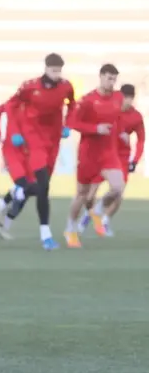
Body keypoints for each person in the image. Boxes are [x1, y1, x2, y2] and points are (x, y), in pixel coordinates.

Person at [1, 53, 75, 250]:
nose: (57, 74)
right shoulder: (30, 87)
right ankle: (46, 234)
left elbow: (72, 104)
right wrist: (16, 131)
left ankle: (18, 191)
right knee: (43, 186)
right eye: (53, 70)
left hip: (53, 141)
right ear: (46, 68)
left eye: (59, 71)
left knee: (41, 187)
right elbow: (11, 104)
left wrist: (69, 124)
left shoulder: (66, 86)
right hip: (34, 139)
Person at [64, 64, 125, 248]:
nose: (111, 82)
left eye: (114, 79)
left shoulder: (118, 97)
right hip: (89, 153)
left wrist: (120, 131)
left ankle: (97, 211)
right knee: (82, 195)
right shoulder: (88, 100)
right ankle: (70, 229)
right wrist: (95, 129)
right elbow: (72, 122)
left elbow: (117, 118)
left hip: (108, 153)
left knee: (118, 187)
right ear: (100, 77)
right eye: (109, 78)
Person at [78, 82, 144, 236]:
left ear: (132, 99)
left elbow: (141, 140)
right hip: (103, 155)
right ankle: (89, 215)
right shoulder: (109, 110)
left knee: (118, 192)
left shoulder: (136, 117)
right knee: (89, 194)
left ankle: (105, 220)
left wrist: (135, 160)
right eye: (123, 98)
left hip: (121, 158)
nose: (125, 101)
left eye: (128, 98)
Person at [0, 98, 38, 240]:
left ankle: (4, 220)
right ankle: (4, 205)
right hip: (12, 151)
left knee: (31, 190)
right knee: (22, 186)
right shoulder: (13, 103)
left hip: (28, 152)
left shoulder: (38, 107)